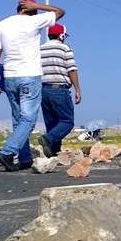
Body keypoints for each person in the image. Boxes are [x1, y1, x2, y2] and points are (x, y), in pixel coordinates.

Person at [0, 0, 65, 171]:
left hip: (9, 77)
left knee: (18, 120)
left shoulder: (2, 24)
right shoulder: (34, 21)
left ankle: (24, 159)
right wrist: (38, 5)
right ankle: (7, 152)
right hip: (29, 75)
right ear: (29, 9)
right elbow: (60, 12)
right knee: (29, 119)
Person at [37, 23, 80, 158]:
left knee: (52, 123)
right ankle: (48, 139)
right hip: (59, 89)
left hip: (43, 90)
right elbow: (71, 69)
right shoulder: (65, 48)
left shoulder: (40, 49)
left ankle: (53, 153)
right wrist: (77, 89)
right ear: (62, 35)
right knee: (67, 122)